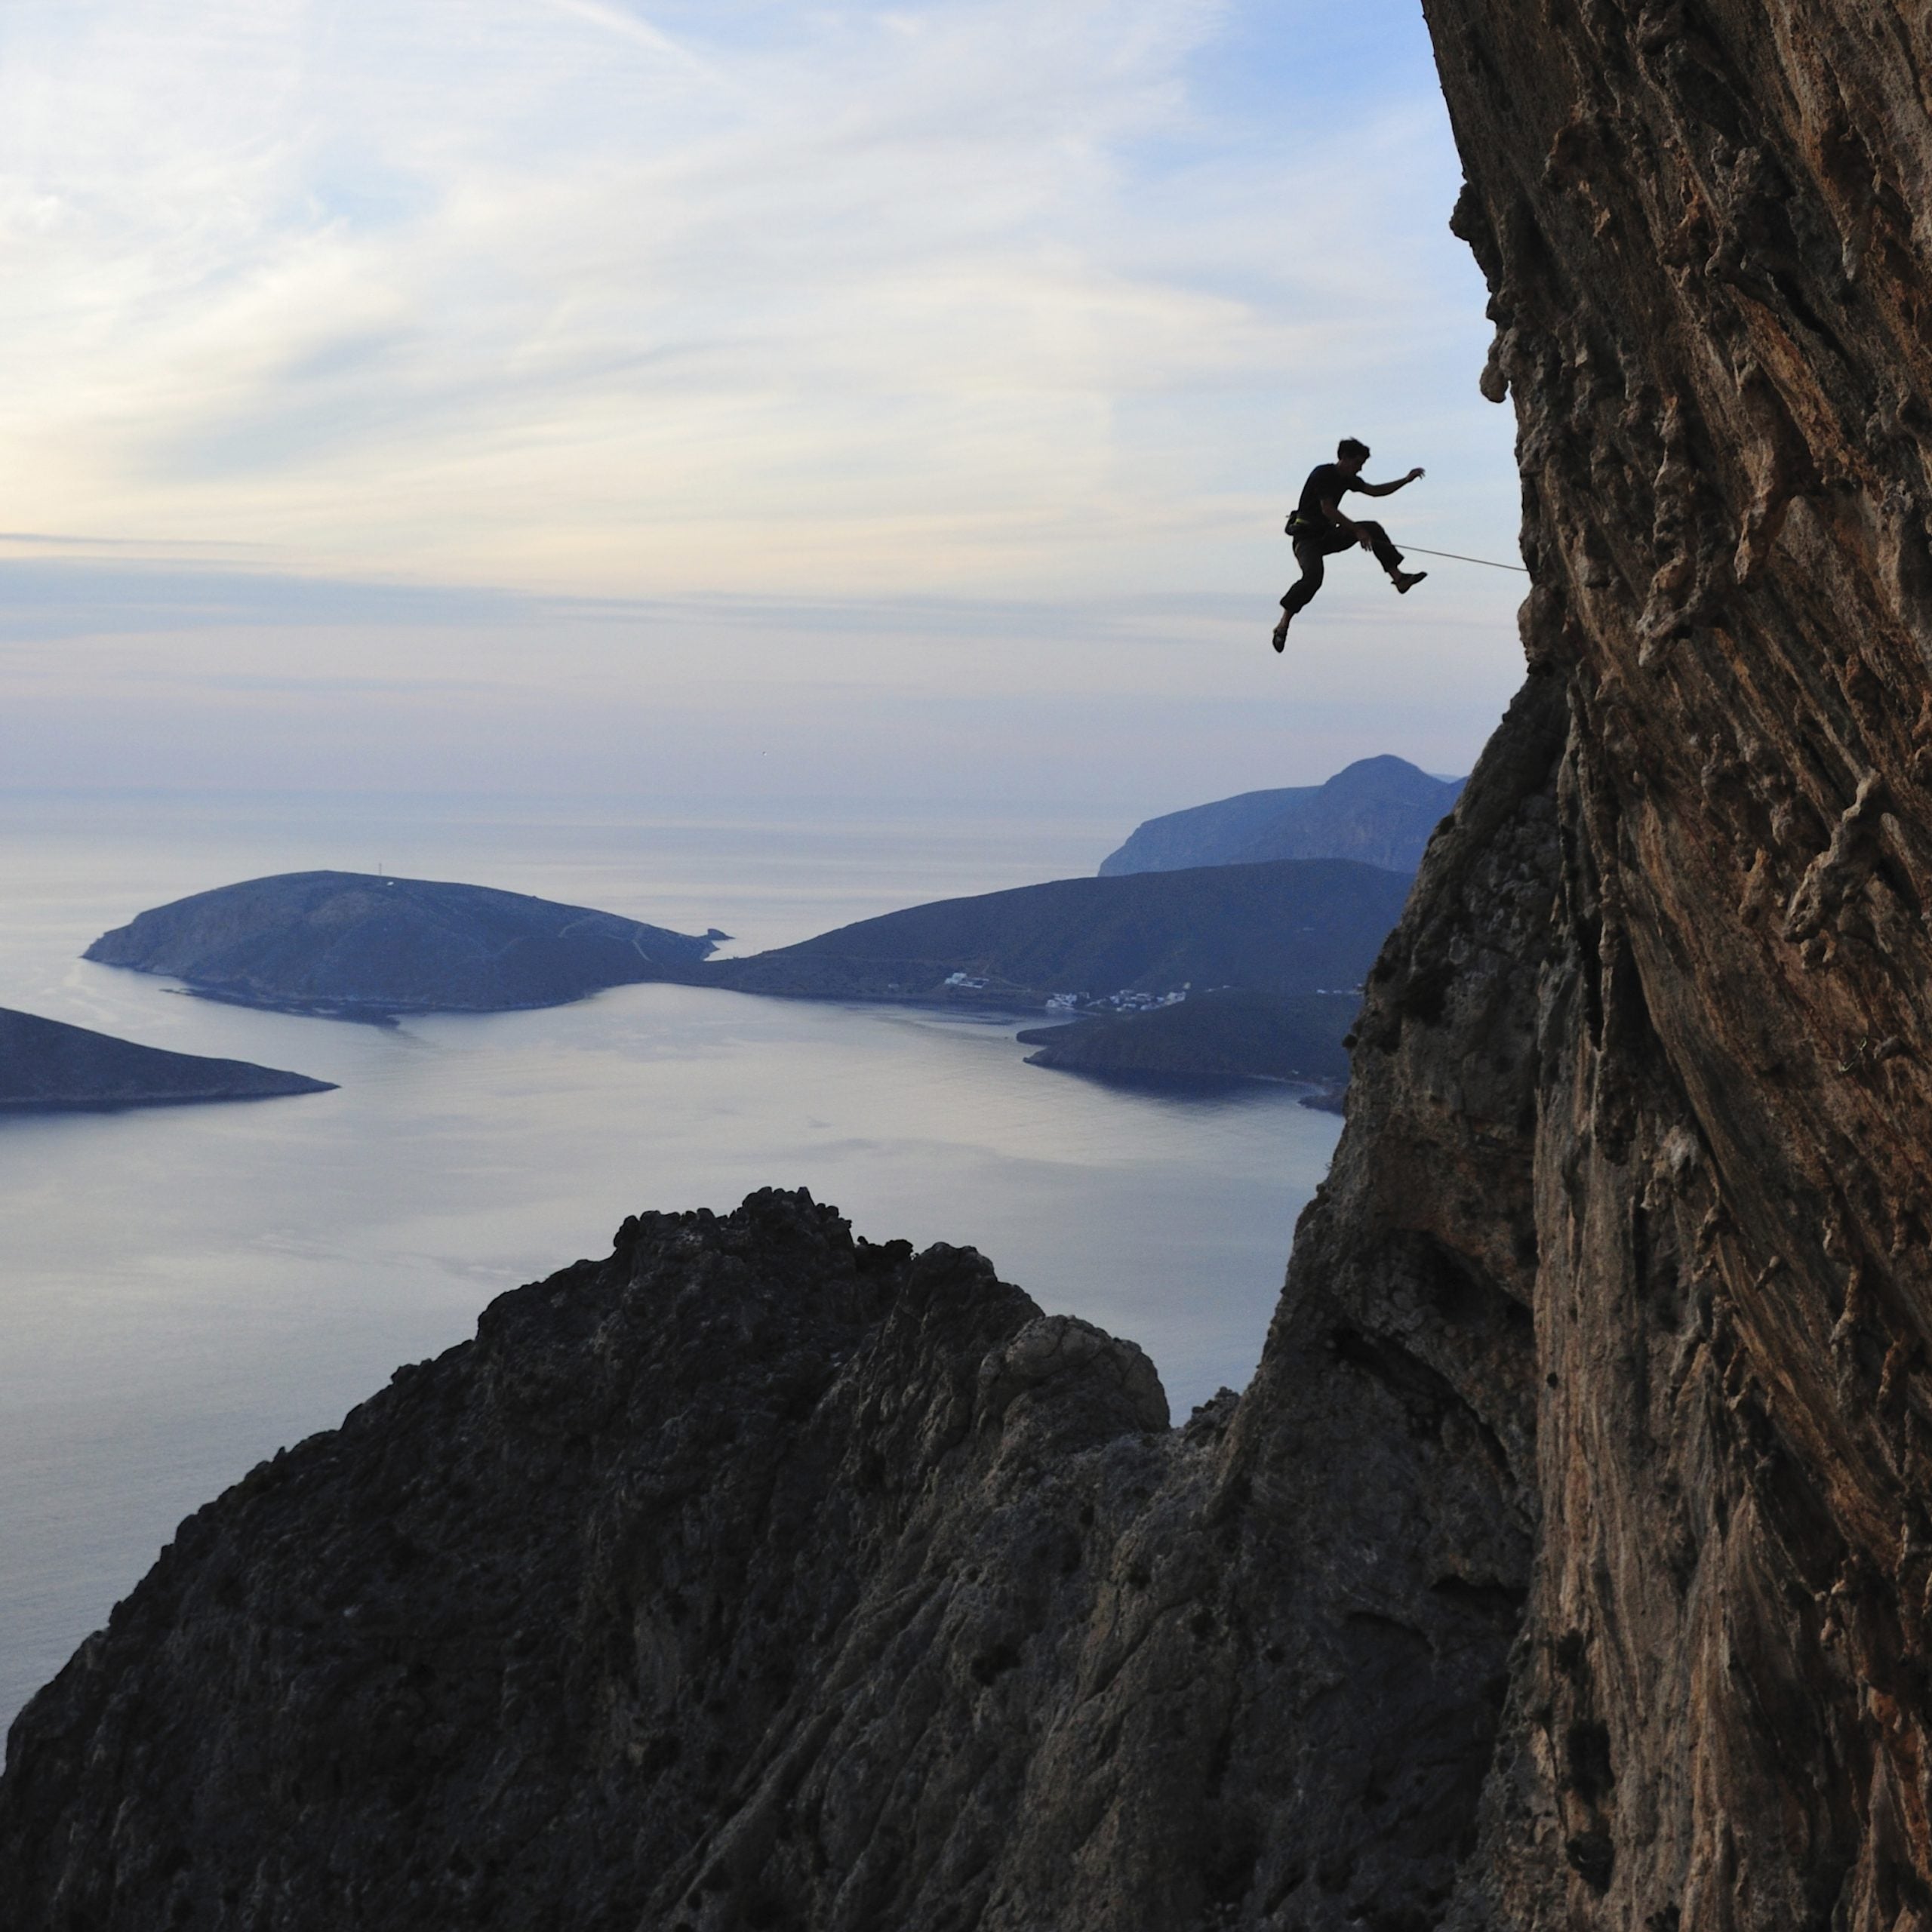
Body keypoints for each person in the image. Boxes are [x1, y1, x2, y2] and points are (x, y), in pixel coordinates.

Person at [1272, 438, 1427, 650]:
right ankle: (1283, 625)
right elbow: (1328, 509)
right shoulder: (1323, 474)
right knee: (1313, 578)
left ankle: (1399, 579)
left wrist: (1406, 480)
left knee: (1372, 528)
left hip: (1328, 536)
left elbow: (1375, 491)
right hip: (1306, 540)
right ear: (1344, 459)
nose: (1360, 469)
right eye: (1358, 463)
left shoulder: (1348, 478)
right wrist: (1356, 530)